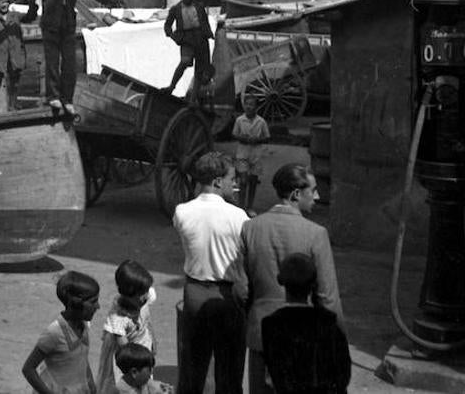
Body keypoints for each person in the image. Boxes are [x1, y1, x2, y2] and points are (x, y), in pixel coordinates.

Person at [242, 164, 343, 394]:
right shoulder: (316, 234)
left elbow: (241, 288)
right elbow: (328, 297)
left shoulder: (250, 228)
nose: (317, 196)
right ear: (296, 194)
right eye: (313, 190)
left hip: (260, 333)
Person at [9, 0, 125, 107]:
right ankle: (53, 97)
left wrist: (110, 0)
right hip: (50, 24)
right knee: (53, 63)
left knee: (70, 65)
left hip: (68, 24)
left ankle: (67, 99)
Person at [172, 151, 248, 394]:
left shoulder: (182, 211)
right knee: (229, 370)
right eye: (231, 179)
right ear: (217, 182)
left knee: (193, 368)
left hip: (194, 292)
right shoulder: (238, 217)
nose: (234, 184)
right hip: (227, 296)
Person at [261, 253, 351, 394]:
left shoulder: (271, 324)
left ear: (281, 281)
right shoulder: (329, 322)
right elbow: (343, 374)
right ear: (313, 285)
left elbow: (274, 376)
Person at [23, 270, 100, 394]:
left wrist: (91, 385)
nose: (98, 306)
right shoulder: (54, 333)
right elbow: (28, 369)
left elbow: (82, 359)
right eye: (93, 302)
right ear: (76, 303)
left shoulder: (84, 325)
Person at [96, 260, 159, 394]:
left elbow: (147, 321)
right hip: (129, 357)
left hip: (143, 345)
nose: (145, 296)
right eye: (141, 294)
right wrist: (140, 365)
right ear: (127, 294)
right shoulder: (118, 319)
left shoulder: (144, 297)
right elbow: (126, 352)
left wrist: (153, 341)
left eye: (146, 291)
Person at [0, 0, 37, 114]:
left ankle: (12, 106)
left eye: (6, 1)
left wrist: (32, 2)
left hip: (14, 55)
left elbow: (30, 16)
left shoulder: (14, 16)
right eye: (0, 2)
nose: (4, 5)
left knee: (15, 84)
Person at [163, 0, 213, 93]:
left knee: (199, 70)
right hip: (186, 39)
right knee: (185, 61)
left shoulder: (199, 7)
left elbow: (205, 22)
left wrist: (209, 33)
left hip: (200, 38)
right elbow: (167, 25)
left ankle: (193, 99)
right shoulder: (175, 9)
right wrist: (172, 35)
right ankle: (171, 86)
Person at [232, 94, 271, 215]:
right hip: (242, 154)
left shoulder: (261, 121)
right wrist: (241, 138)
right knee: (243, 181)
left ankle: (250, 206)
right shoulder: (239, 120)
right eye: (246, 104)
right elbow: (234, 134)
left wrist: (257, 140)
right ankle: (241, 206)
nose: (248, 107)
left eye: (251, 105)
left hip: (256, 155)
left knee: (253, 181)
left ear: (256, 107)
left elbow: (267, 137)